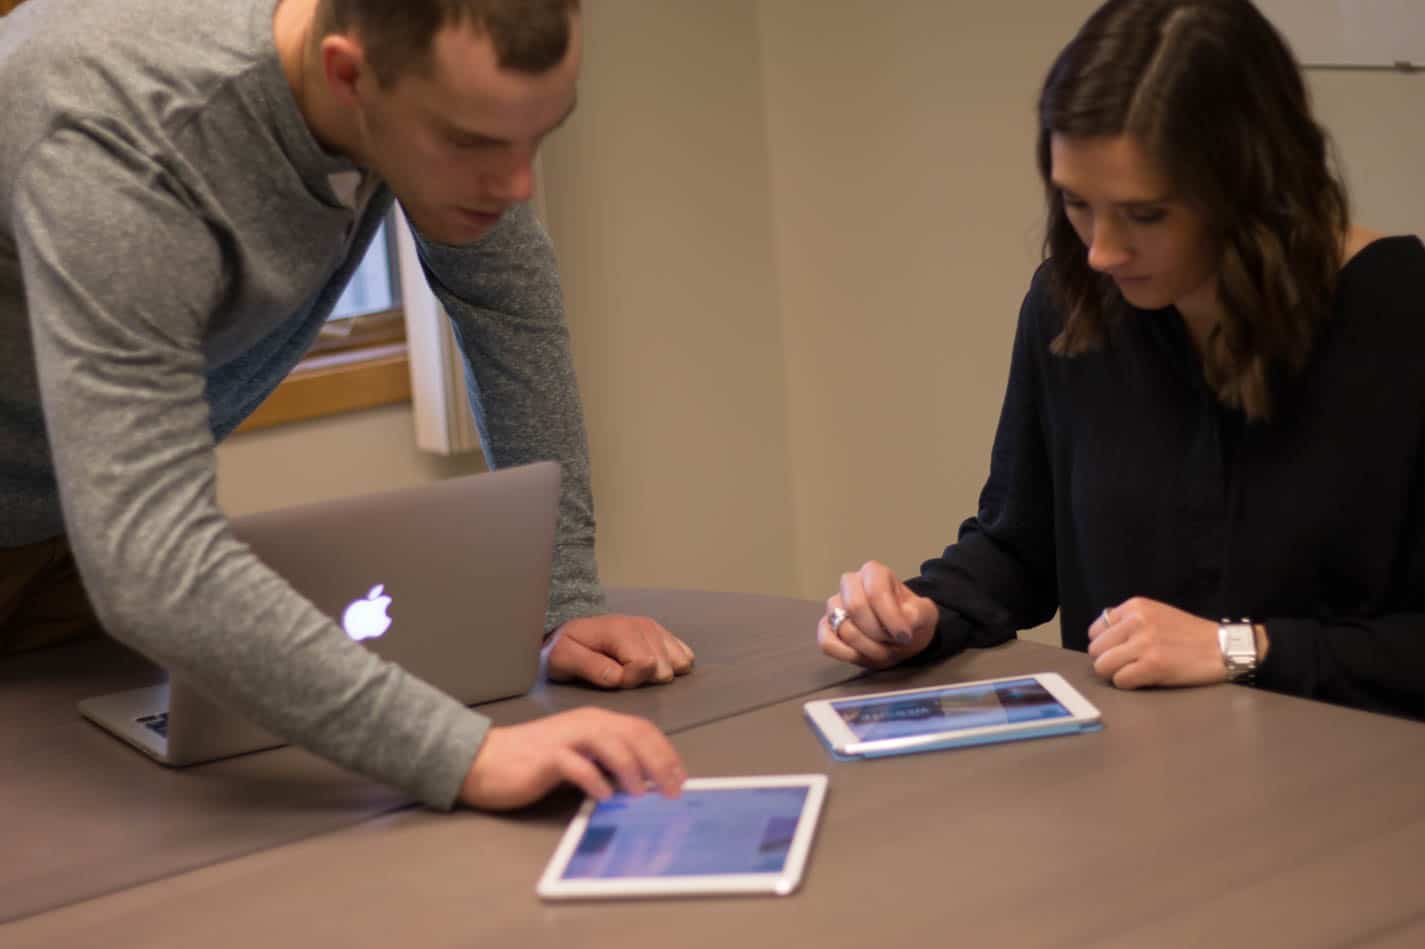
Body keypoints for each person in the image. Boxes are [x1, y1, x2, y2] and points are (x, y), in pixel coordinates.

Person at [0, 0, 693, 810]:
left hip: (71, 528)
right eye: (471, 141)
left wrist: (564, 599)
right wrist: (464, 756)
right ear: (345, 74)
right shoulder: (122, 132)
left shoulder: (402, 80)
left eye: (535, 137)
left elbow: (506, 299)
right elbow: (150, 557)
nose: (514, 185)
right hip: (114, 534)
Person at [816, 0, 1425, 721]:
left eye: (1145, 215)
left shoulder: (1401, 319)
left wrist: (1244, 648)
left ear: (1255, 185)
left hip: (1363, 787)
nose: (1101, 251)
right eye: (1076, 204)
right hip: (1136, 777)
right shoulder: (1074, 303)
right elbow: (1020, 544)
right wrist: (919, 614)